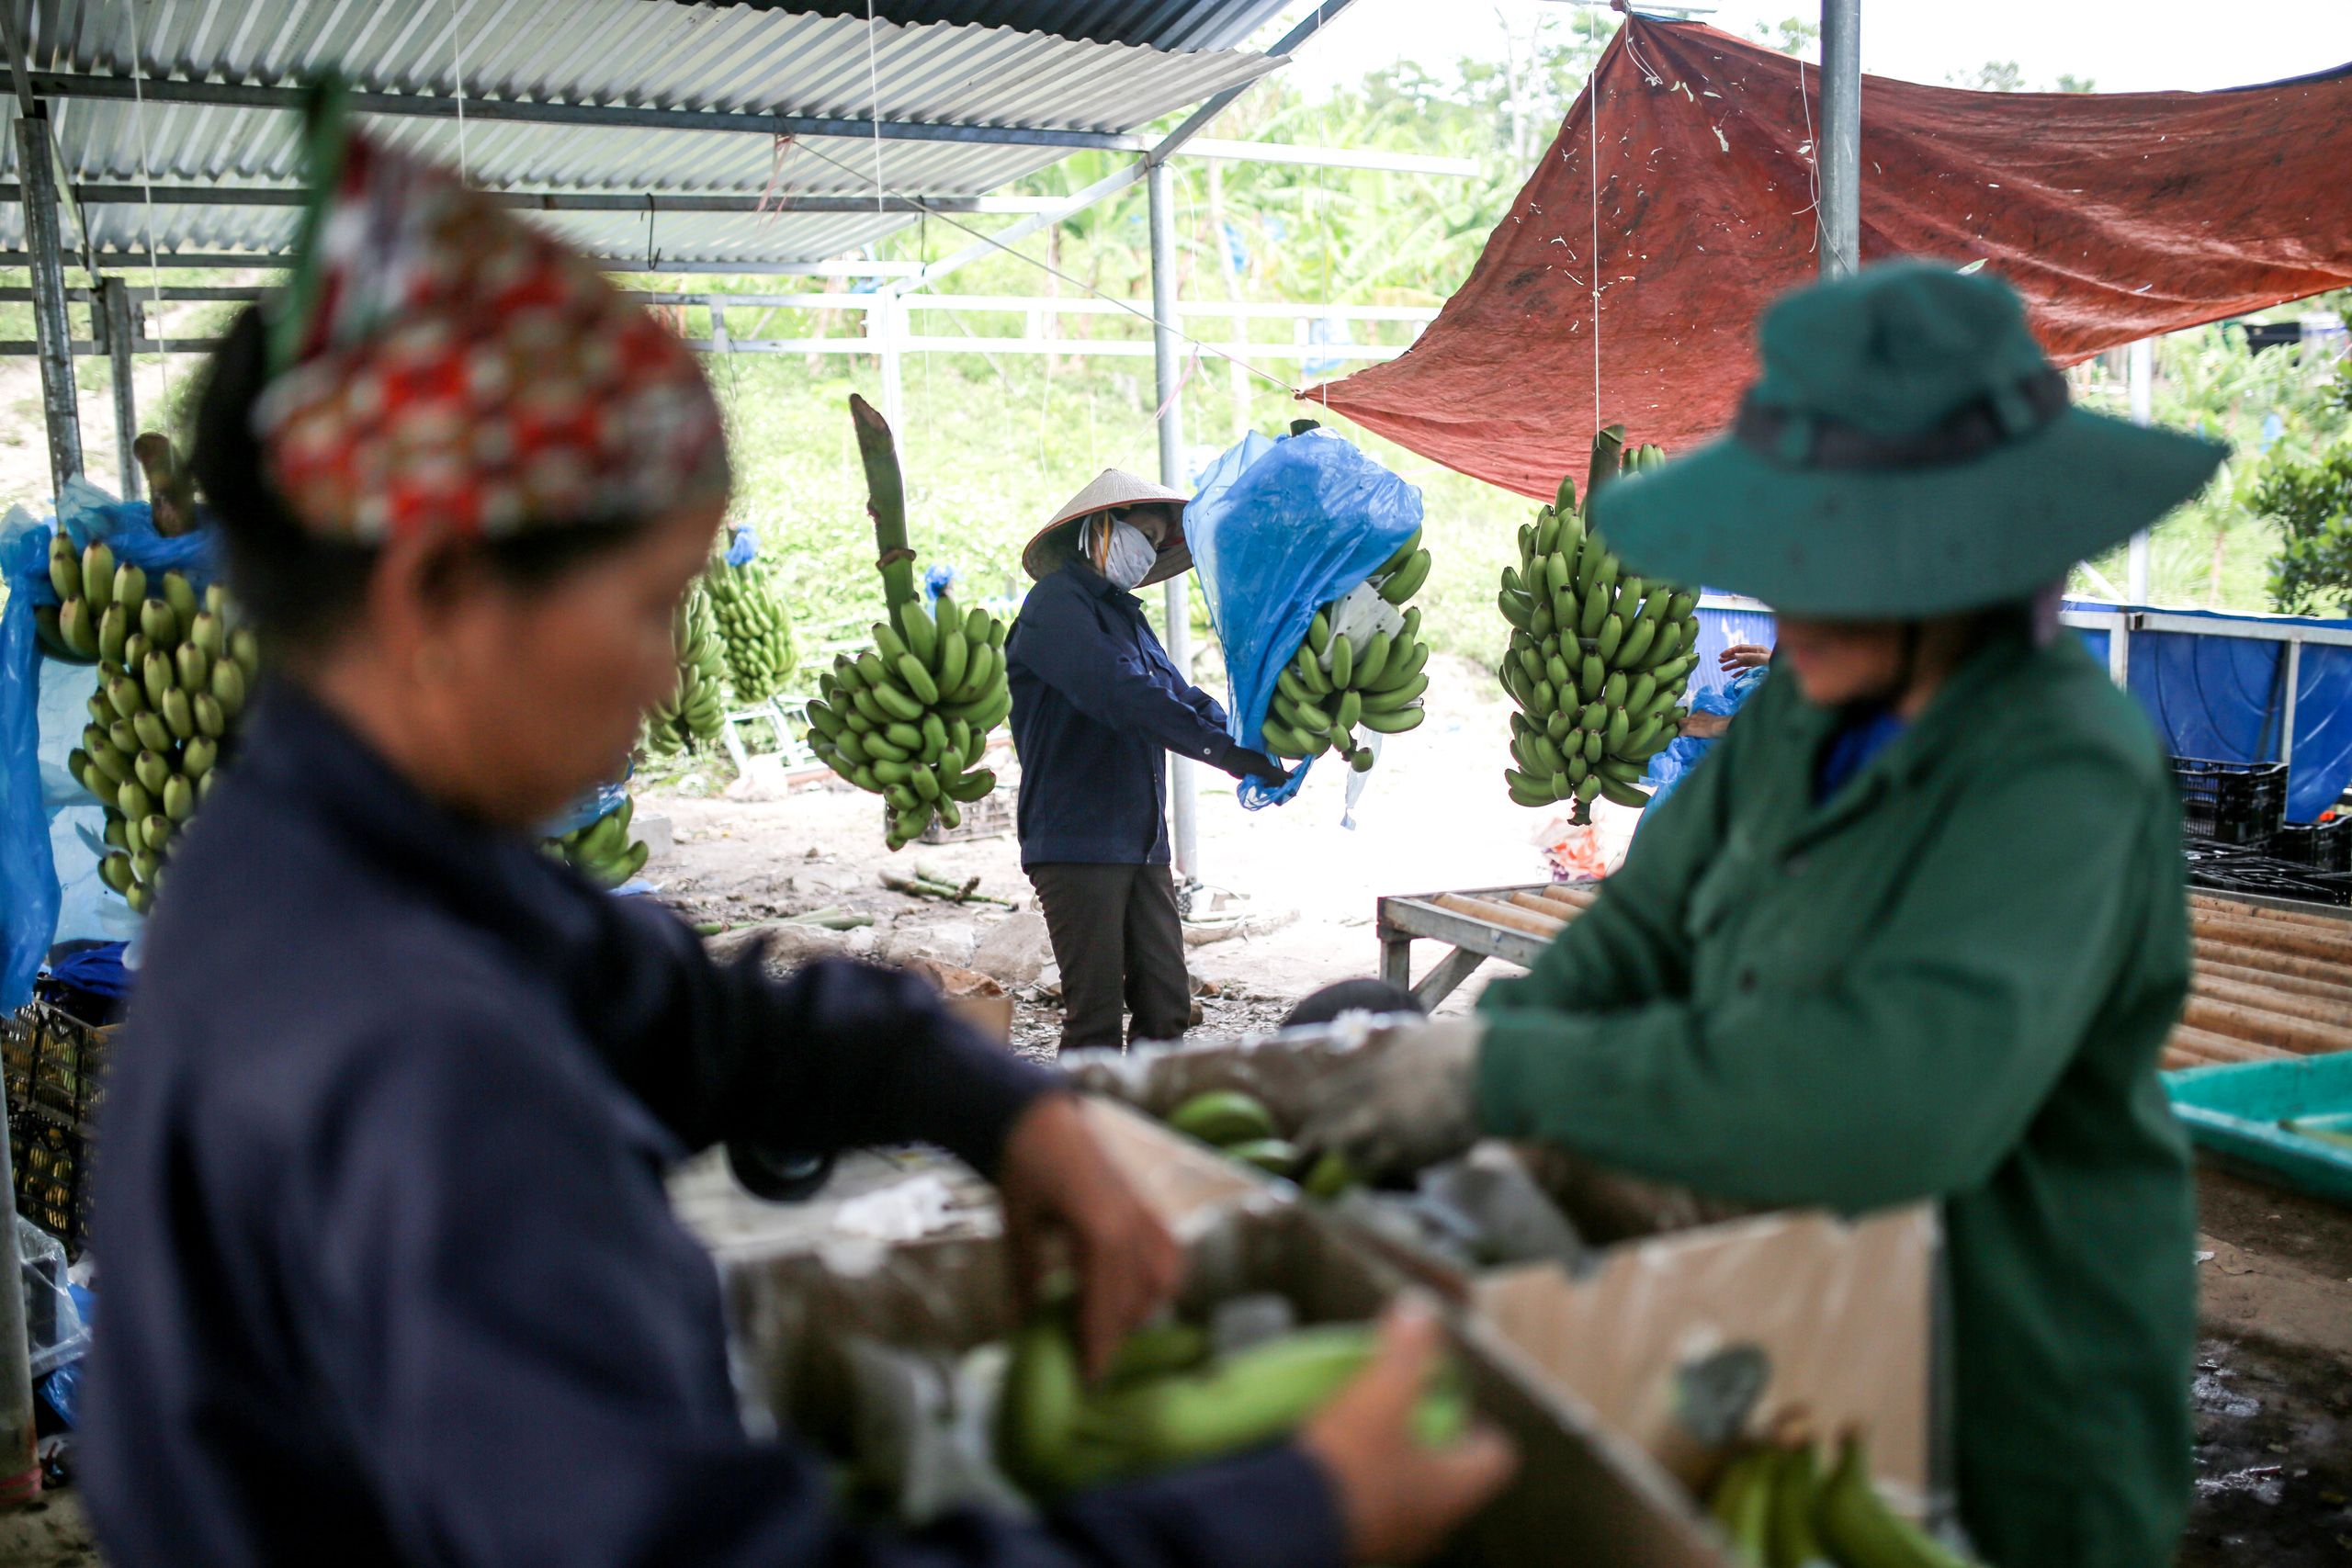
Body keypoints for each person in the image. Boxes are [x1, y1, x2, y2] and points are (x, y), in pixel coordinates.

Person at [79, 108, 1510, 1568]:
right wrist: (1293, 1509)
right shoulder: (422, 1064)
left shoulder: (342, 857)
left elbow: (696, 1009)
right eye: (648, 607)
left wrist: (1004, 1108)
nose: (666, 679)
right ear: (438, 597)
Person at [1302, 262, 2224, 1568]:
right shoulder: (1800, 713)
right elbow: (1644, 928)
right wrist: (1489, 1063)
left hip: (2009, 1380)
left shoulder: (2060, 765)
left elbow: (1892, 1102)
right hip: (1797, 1319)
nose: (1790, 599)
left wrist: (1512, 1069)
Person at [1006, 472, 1286, 1052]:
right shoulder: (1054, 606)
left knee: (1166, 1004)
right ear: (1100, 526)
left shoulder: (1127, 617)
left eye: (1162, 542)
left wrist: (1251, 736)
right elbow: (1121, 693)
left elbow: (1178, 697)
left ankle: (1154, 1121)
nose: (1152, 549)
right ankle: (1085, 1136)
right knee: (1095, 1016)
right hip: (1077, 842)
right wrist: (1225, 753)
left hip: (1140, 840)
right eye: (1147, 532)